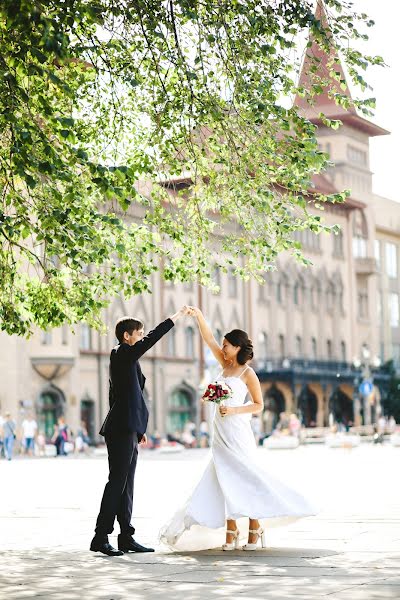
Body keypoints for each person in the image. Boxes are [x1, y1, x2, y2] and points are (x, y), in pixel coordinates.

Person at [160, 307, 317, 552]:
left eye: (227, 345)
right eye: (223, 345)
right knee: (225, 479)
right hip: (219, 433)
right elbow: (208, 339)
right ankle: (231, 530)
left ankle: (254, 528)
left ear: (237, 347)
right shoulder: (224, 366)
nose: (222, 349)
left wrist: (233, 411)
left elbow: (258, 405)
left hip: (237, 431)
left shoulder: (247, 372)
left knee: (246, 477)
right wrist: (199, 315)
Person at [90, 306, 190, 557]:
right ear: (127, 336)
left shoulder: (126, 360)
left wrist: (138, 428)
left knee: (127, 484)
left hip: (128, 428)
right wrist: (174, 319)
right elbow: (151, 340)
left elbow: (121, 396)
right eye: (139, 333)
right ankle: (100, 537)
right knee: (116, 482)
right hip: (121, 429)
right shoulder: (121, 353)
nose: (142, 336)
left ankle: (126, 537)